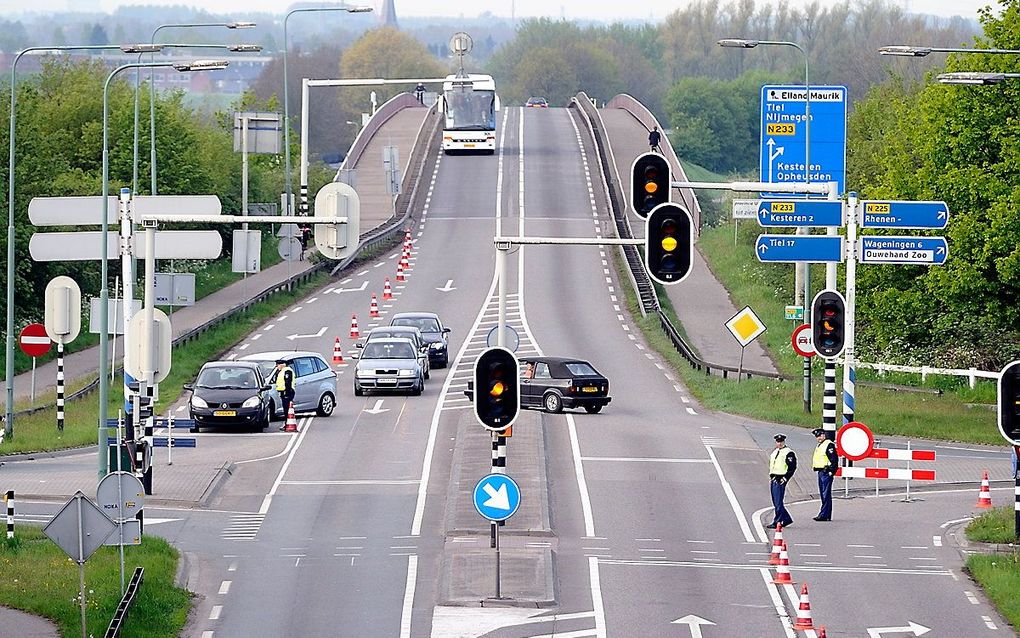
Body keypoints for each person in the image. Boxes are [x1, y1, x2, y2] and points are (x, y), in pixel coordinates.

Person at [767, 433, 797, 529]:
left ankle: (777, 521)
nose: (779, 444)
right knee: (776, 501)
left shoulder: (788, 452)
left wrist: (785, 478)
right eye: (777, 442)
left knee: (778, 501)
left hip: (780, 479)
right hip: (774, 478)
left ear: (784, 442)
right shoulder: (775, 452)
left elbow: (792, 467)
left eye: (781, 442)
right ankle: (786, 518)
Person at [811, 429, 838, 521]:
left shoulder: (828, 445)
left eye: (820, 435)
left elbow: (834, 459)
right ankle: (825, 515)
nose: (818, 438)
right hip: (821, 472)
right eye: (817, 436)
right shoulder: (820, 445)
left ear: (824, 435)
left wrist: (831, 471)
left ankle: (824, 514)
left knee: (826, 494)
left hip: (826, 472)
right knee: (823, 494)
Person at [275, 358, 296, 430]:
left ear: (283, 365)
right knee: (286, 409)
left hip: (287, 392)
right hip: (284, 392)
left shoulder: (287, 371)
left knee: (287, 409)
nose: (277, 366)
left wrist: (287, 393)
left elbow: (288, 382)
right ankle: (287, 423)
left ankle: (288, 423)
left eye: (278, 365)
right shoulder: (282, 371)